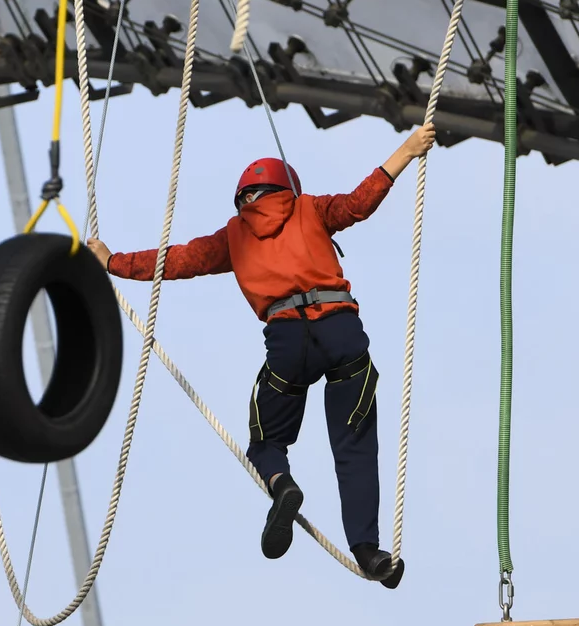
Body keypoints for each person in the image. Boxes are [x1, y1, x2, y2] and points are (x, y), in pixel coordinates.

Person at [87, 124, 436, 586]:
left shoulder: (235, 235)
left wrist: (112, 261)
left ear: (243, 198)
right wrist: (407, 150)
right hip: (342, 333)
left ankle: (282, 486)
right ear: (286, 187)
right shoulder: (309, 208)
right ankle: (369, 552)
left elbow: (178, 260)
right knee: (354, 443)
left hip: (289, 344)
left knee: (266, 443)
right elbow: (359, 202)